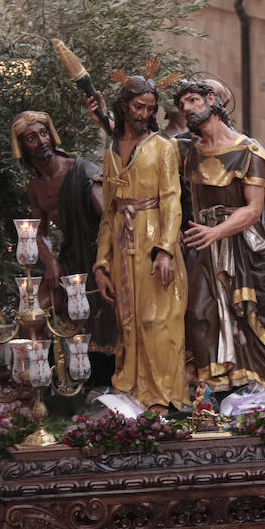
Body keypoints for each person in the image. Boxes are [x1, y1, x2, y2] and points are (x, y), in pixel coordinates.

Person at [171, 79, 265, 389]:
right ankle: (214, 385)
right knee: (198, 313)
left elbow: (253, 209)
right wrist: (110, 125)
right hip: (201, 245)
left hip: (242, 248)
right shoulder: (185, 150)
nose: (186, 109)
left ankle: (264, 382)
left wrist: (217, 232)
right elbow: (143, 152)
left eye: (192, 101)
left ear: (212, 100)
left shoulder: (248, 150)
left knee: (255, 314)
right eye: (183, 105)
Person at [90, 72, 189, 412]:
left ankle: (163, 396)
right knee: (127, 319)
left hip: (153, 240)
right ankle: (131, 390)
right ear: (124, 105)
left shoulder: (164, 147)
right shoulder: (113, 151)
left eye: (150, 108)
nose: (144, 114)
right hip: (121, 239)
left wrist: (164, 249)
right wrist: (101, 264)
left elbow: (172, 199)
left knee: (158, 319)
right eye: (138, 106)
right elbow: (108, 210)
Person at [10, 111, 112, 371]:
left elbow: (110, 218)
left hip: (101, 253)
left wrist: (106, 261)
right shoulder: (35, 188)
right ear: (22, 146)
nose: (41, 141)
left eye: (44, 133)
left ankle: (98, 372)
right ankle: (43, 379)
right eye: (32, 138)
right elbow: (37, 232)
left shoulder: (81, 170)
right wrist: (51, 261)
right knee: (33, 311)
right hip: (70, 258)